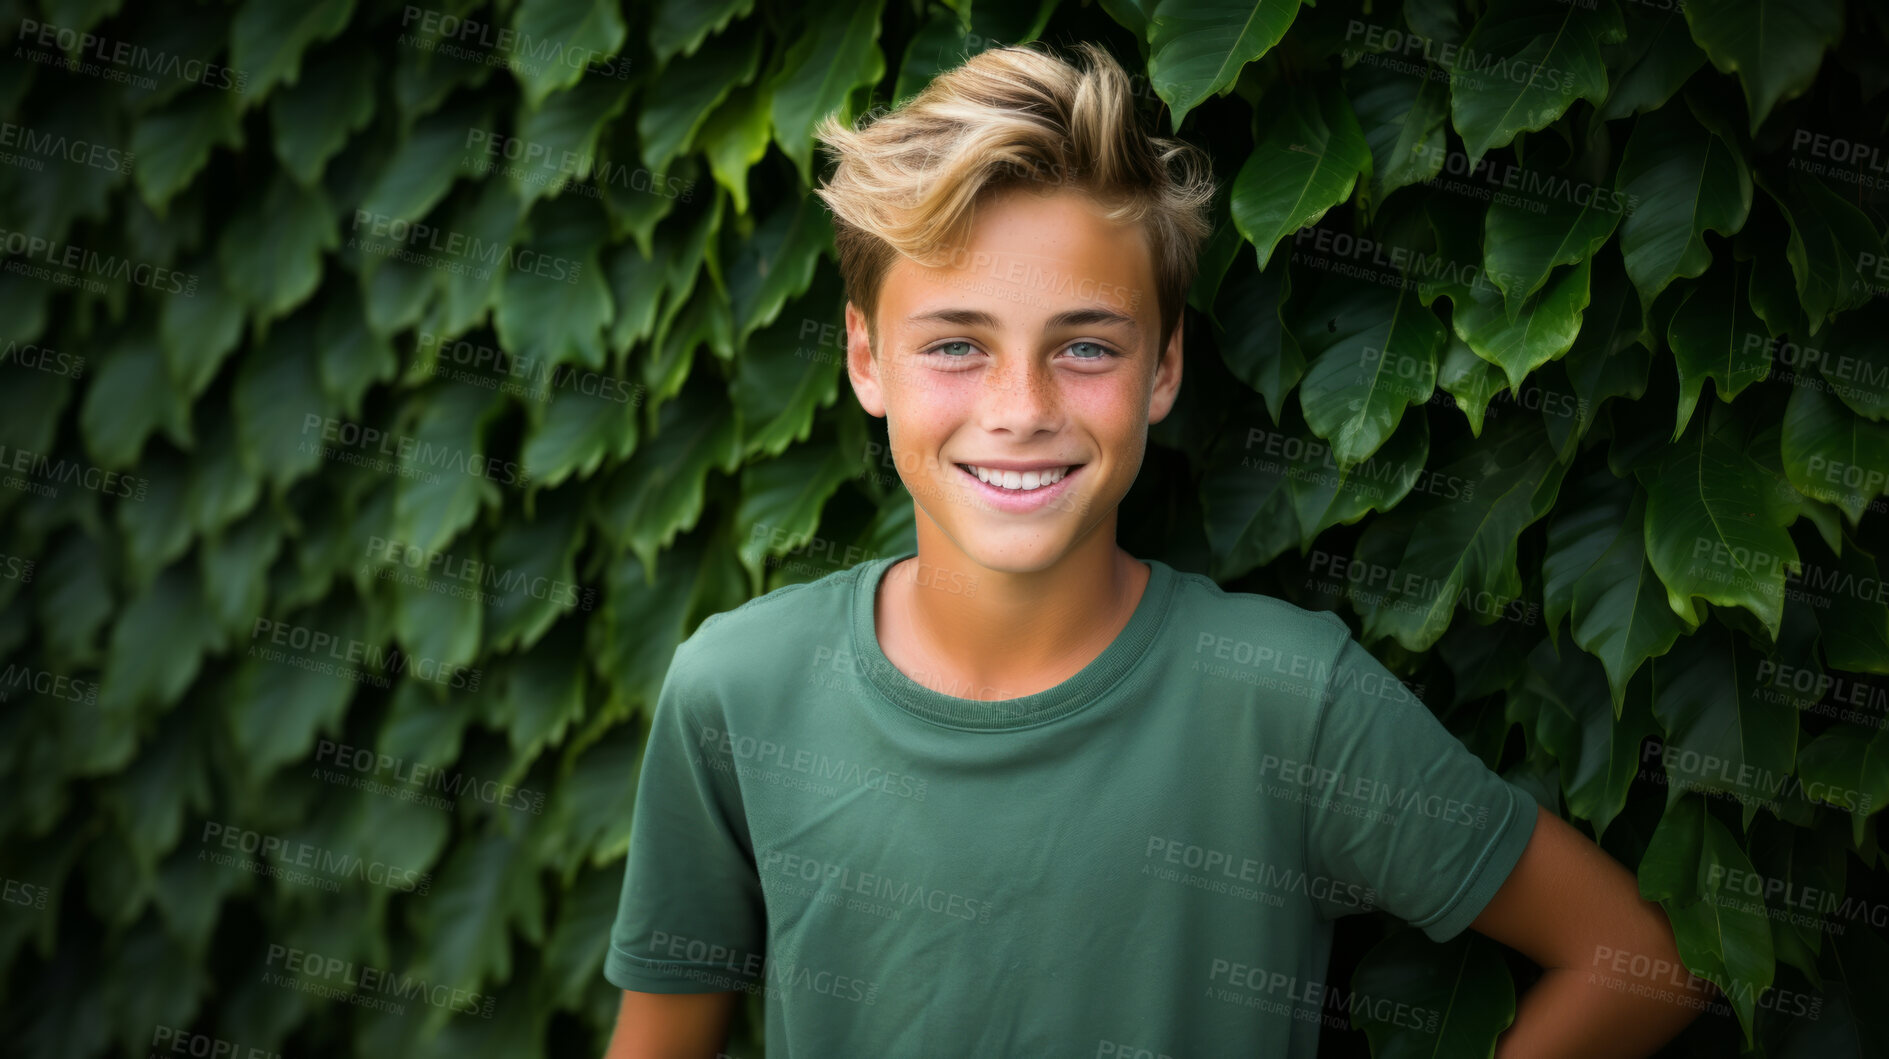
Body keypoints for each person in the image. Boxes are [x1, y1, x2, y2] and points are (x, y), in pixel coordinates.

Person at [602, 40, 1707, 1058]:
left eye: (1083, 345)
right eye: (955, 346)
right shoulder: (736, 691)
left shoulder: (1285, 699)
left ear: (1163, 367)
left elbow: (1635, 966)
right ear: (864, 360)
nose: (1020, 407)